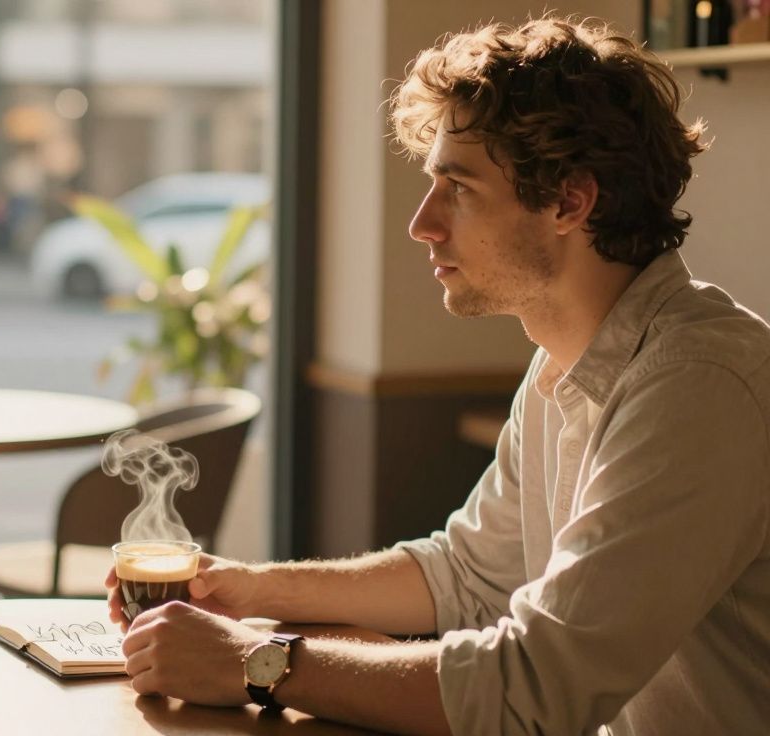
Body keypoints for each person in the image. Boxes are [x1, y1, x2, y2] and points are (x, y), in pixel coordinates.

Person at [107, 17, 770, 736]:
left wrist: (256, 663)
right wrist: (242, 588)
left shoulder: (697, 386)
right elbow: (467, 574)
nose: (422, 223)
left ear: (569, 202)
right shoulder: (566, 362)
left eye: (458, 187)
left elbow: (535, 689)